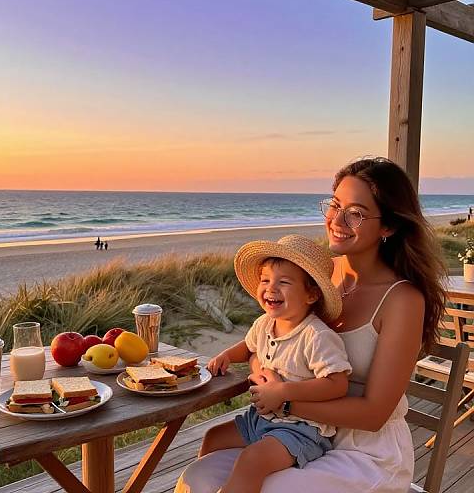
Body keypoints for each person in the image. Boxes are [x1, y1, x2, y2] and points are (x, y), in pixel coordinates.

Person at [175, 156, 446, 493]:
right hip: (293, 427)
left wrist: (285, 401)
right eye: (335, 205)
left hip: (364, 450)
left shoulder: (402, 299)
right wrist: (262, 372)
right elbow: (272, 339)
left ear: (388, 226)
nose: (337, 220)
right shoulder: (316, 276)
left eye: (356, 213)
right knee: (199, 474)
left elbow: (375, 413)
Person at [204, 235, 351, 492]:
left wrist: (284, 392)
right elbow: (247, 347)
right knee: (213, 437)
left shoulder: (316, 336)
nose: (271, 289)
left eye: (283, 282)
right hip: (260, 420)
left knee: (251, 460)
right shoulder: (264, 323)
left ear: (311, 295)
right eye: (265, 280)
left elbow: (337, 384)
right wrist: (227, 355)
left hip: (301, 429)